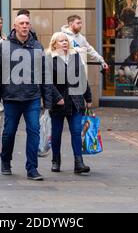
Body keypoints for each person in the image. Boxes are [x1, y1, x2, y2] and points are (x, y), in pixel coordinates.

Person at [0, 14, 52, 181]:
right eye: (21, 23)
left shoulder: (37, 46)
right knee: (9, 132)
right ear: (15, 26)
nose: (25, 26)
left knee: (34, 131)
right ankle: (5, 160)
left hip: (32, 97)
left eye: (27, 23)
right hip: (11, 97)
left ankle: (32, 168)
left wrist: (48, 100)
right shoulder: (5, 46)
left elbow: (45, 74)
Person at [46, 32, 92, 174]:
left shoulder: (75, 56)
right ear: (54, 44)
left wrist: (88, 98)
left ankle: (79, 163)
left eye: (66, 40)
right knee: (56, 134)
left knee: (77, 132)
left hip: (75, 100)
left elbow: (82, 78)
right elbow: (47, 82)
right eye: (61, 41)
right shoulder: (49, 59)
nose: (65, 43)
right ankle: (56, 161)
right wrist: (56, 97)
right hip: (58, 102)